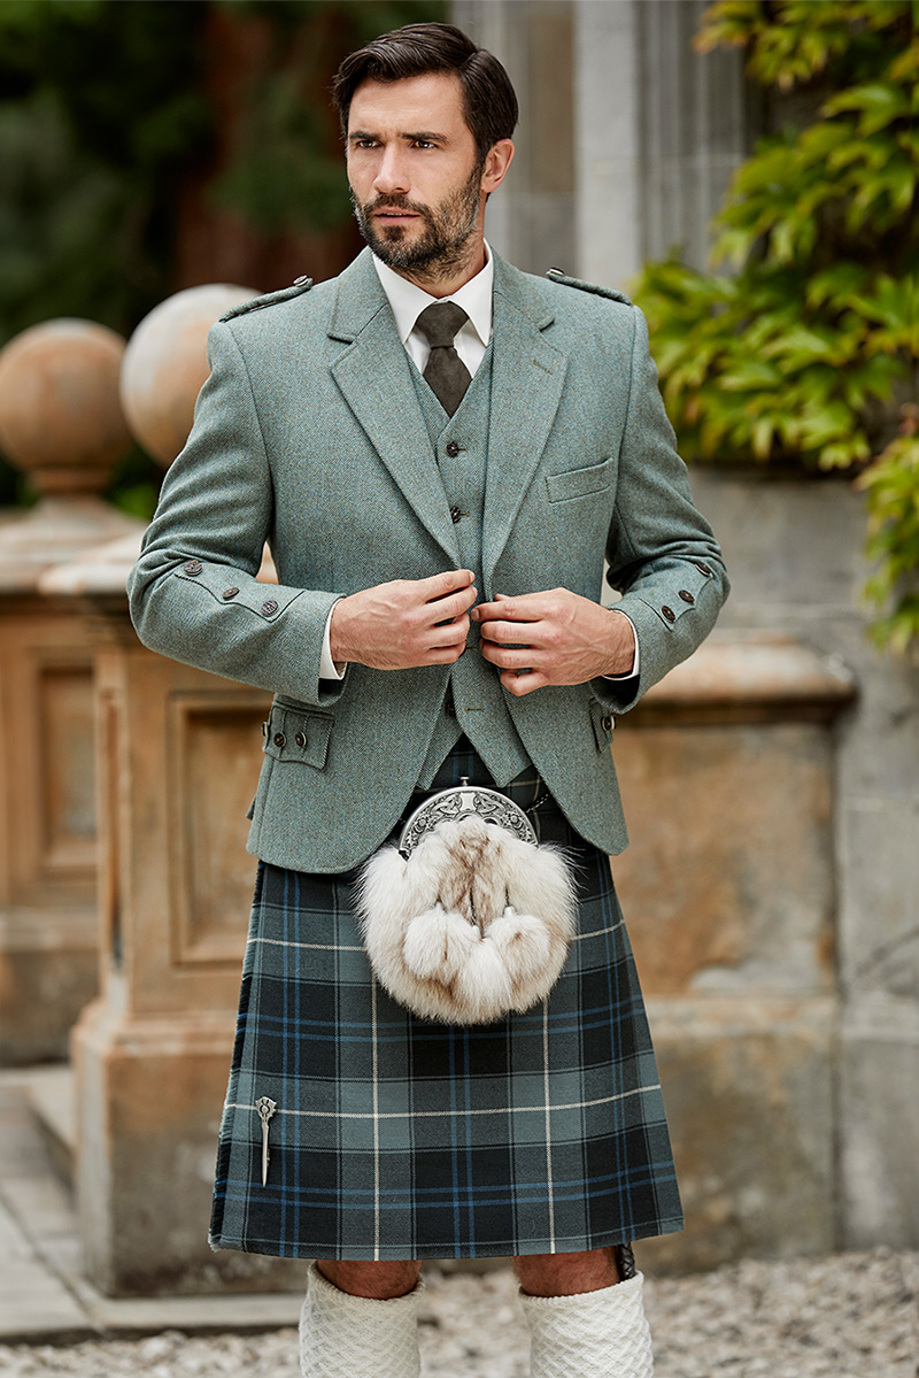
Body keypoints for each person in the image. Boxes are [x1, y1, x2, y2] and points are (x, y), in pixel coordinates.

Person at [128, 21, 727, 1378]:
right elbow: (169, 581)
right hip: (344, 839)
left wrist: (614, 635)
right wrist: (328, 624)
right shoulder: (269, 356)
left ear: (494, 161)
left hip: (545, 832)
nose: (386, 175)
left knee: (577, 1227)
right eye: (365, 144)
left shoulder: (600, 343)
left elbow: (689, 560)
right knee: (360, 1233)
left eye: (421, 144)